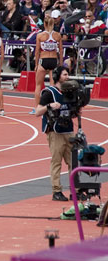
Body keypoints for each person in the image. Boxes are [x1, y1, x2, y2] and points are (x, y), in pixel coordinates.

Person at [34, 66, 75, 201]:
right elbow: (37, 111)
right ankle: (56, 191)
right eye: (64, 74)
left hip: (68, 130)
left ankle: (75, 190)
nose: (67, 77)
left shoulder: (70, 92)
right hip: (55, 132)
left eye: (68, 74)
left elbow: (71, 110)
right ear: (58, 76)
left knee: (73, 163)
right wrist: (50, 106)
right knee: (56, 162)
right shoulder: (49, 93)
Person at [32, 15, 63, 114]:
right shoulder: (57, 35)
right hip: (54, 60)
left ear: (44, 24)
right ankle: (53, 106)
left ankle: (37, 108)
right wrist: (60, 63)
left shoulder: (40, 36)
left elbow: (37, 51)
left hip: (43, 60)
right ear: (53, 24)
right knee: (53, 86)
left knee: (38, 85)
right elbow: (61, 51)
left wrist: (36, 64)